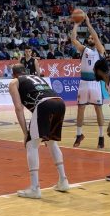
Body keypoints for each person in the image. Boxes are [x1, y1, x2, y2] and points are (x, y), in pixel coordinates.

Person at [9, 64, 69, 199]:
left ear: (14, 74)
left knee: (31, 145)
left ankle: (35, 188)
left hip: (44, 104)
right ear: (25, 72)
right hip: (59, 102)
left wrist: (26, 133)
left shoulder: (14, 82)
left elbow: (18, 108)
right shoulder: (36, 77)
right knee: (52, 142)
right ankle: (63, 181)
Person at [70, 13, 106, 149]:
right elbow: (73, 39)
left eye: (93, 38)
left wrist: (89, 24)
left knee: (98, 109)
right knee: (80, 109)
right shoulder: (84, 50)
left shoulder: (100, 51)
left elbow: (96, 36)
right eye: (89, 38)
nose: (91, 39)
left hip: (95, 83)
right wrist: (76, 24)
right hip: (83, 83)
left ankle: (101, 137)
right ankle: (79, 135)